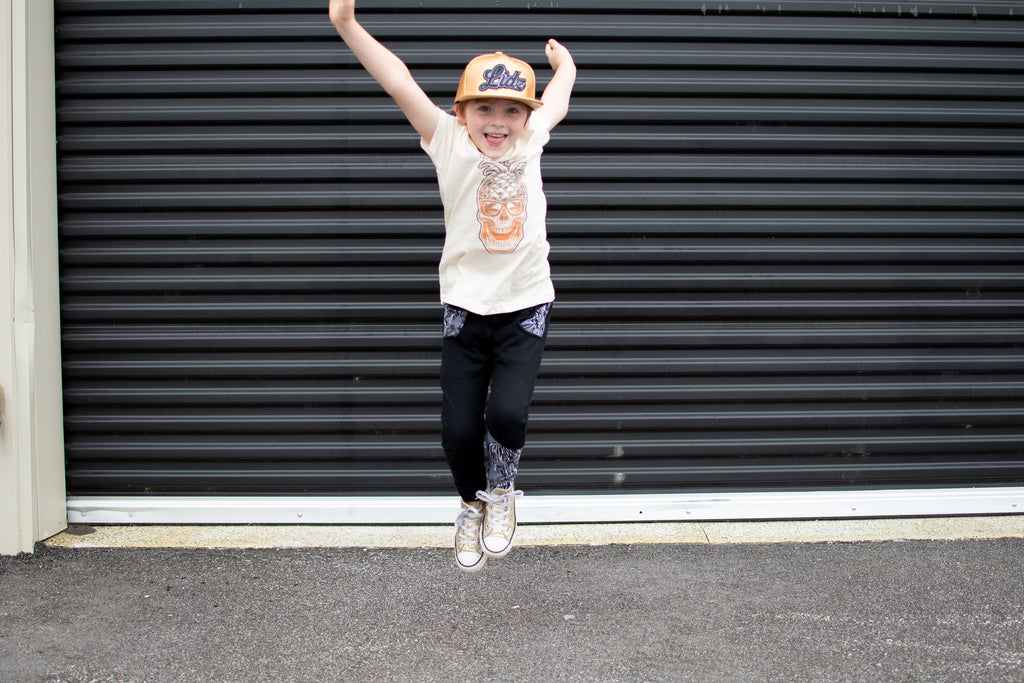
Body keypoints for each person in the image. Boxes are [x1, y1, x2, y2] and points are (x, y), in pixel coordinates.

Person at [328, 0, 576, 572]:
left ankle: (503, 492)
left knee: (506, 415)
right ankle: (470, 503)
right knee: (458, 430)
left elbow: (557, 100)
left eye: (511, 110)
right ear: (461, 112)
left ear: (525, 117)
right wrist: (347, 25)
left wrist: (565, 67)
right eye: (484, 108)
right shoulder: (446, 139)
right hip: (464, 309)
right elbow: (399, 80)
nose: (498, 121)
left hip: (525, 306)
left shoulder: (532, 138)